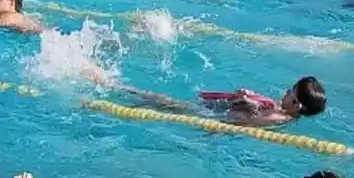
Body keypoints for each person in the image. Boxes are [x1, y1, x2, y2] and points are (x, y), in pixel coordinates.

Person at [107, 76, 328, 128]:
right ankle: (125, 92)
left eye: (291, 92)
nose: (286, 91)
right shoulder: (283, 112)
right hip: (220, 111)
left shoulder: (279, 117)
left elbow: (245, 120)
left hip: (216, 117)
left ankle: (118, 88)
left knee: (163, 102)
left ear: (298, 104)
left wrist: (247, 103)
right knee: (162, 102)